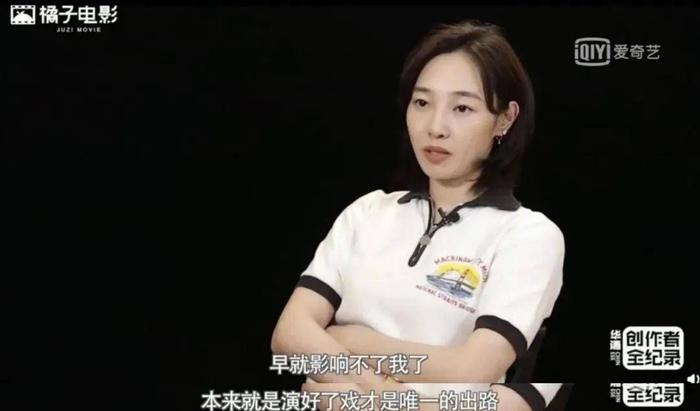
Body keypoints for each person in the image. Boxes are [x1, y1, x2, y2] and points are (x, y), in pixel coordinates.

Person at [271, 19, 565, 411]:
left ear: (505, 119)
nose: (435, 127)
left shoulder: (527, 234)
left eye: (462, 108)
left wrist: (353, 344)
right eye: (422, 103)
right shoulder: (368, 212)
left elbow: (472, 369)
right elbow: (290, 335)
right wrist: (377, 389)